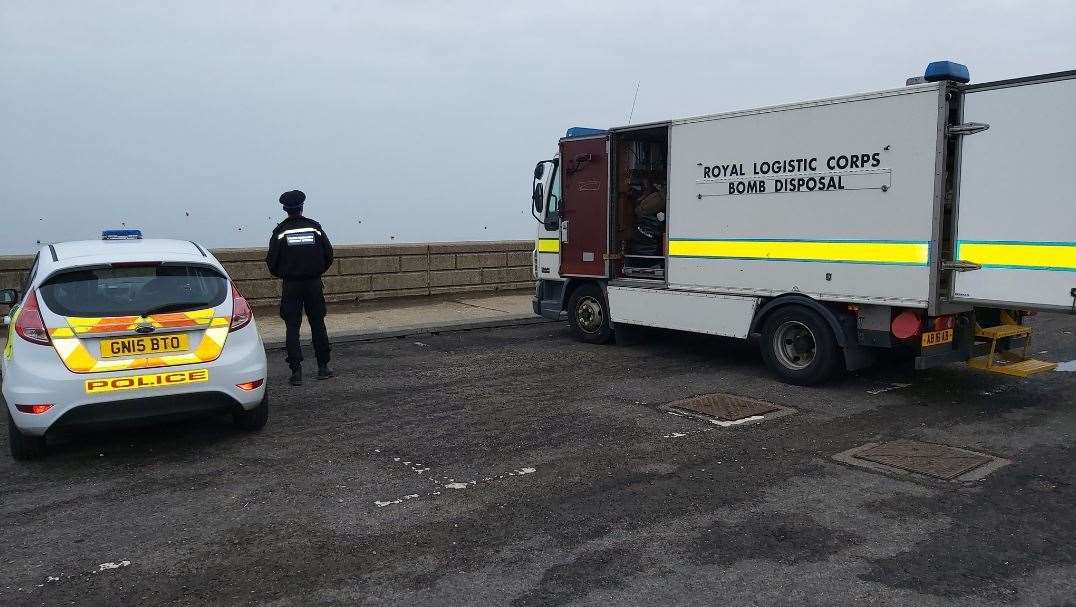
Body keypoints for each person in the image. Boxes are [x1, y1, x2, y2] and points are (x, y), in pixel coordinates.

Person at [266, 189, 335, 386]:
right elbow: (329, 255)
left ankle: (296, 372)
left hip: (291, 286)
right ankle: (323, 367)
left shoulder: (280, 232)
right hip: (313, 283)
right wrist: (316, 271)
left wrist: (287, 274)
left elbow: (272, 263)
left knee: (292, 327)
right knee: (318, 324)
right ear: (302, 207)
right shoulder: (314, 228)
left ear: (285, 209)